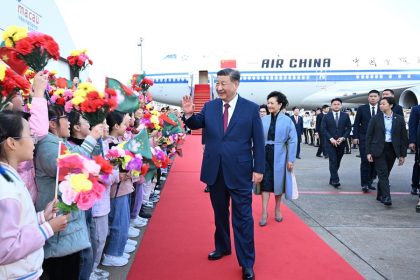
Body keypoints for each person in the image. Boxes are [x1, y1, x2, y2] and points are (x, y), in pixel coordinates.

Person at [182, 68, 264, 280]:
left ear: (235, 85)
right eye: (217, 83)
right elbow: (196, 124)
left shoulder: (251, 109)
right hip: (215, 171)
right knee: (219, 214)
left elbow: (259, 142)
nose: (219, 88)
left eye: (223, 83)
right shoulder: (210, 107)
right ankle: (223, 247)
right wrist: (189, 114)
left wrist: (259, 169)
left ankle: (247, 262)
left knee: (243, 218)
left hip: (240, 171)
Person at [0, 110, 68, 280]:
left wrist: (42, 217)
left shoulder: (8, 177)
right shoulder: (6, 189)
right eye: (30, 136)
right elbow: (5, 249)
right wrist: (48, 228)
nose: (34, 142)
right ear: (11, 143)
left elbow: (17, 224)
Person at [259, 91, 297, 226]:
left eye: (272, 103)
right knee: (265, 183)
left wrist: (291, 159)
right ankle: (264, 212)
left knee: (278, 183)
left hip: (280, 155)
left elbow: (293, 141)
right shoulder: (263, 120)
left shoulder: (288, 121)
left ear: (280, 104)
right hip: (264, 155)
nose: (269, 105)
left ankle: (277, 209)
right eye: (268, 102)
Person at [366, 97, 408, 206]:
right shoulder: (375, 118)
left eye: (383, 104)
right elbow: (369, 136)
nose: (380, 106)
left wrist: (402, 155)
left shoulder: (399, 119)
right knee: (383, 173)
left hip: (393, 149)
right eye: (380, 104)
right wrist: (368, 152)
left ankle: (380, 194)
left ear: (391, 105)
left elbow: (403, 137)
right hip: (378, 149)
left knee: (385, 173)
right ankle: (386, 197)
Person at [352, 90, 380, 193]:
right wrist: (355, 137)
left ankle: (370, 181)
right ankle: (364, 184)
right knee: (365, 160)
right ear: (368, 98)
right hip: (364, 138)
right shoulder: (362, 109)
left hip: (378, 139)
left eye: (375, 96)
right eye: (371, 96)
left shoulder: (381, 108)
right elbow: (356, 123)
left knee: (374, 161)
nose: (373, 98)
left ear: (378, 98)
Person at [321, 98, 352, 188]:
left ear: (341, 105)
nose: (336, 105)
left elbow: (348, 128)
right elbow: (324, 129)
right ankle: (335, 180)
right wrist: (331, 139)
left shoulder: (345, 116)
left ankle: (332, 178)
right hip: (330, 143)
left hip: (341, 142)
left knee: (337, 161)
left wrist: (343, 138)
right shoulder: (326, 116)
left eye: (338, 104)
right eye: (334, 104)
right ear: (331, 106)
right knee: (333, 160)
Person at [408, 104, 420, 196]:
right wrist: (412, 141)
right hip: (419, 142)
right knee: (418, 164)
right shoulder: (416, 109)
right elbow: (412, 126)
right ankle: (415, 185)